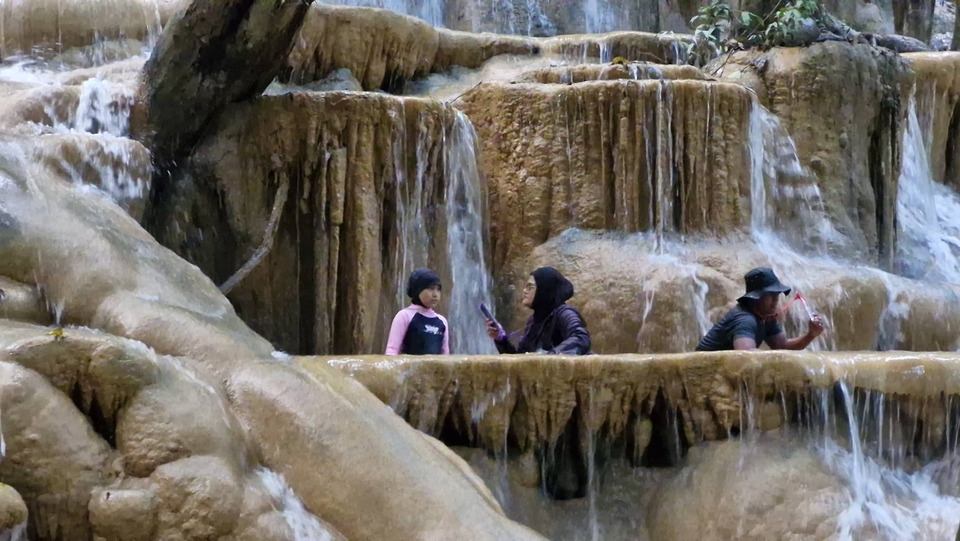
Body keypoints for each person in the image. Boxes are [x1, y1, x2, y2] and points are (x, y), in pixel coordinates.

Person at [696, 267, 825, 351]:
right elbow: (746, 356)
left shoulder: (765, 317)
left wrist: (810, 335)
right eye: (771, 295)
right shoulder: (745, 319)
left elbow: (782, 346)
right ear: (756, 297)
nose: (776, 300)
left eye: (777, 295)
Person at [486, 267, 591, 355]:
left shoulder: (564, 313)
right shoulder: (533, 322)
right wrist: (501, 338)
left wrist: (550, 357)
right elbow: (521, 360)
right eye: (525, 287)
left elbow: (581, 337)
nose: (524, 291)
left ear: (544, 289)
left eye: (530, 287)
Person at [385, 268, 450, 355]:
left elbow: (445, 354)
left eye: (438, 289)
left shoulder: (442, 321)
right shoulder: (404, 316)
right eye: (430, 288)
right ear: (418, 290)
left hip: (435, 365)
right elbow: (392, 349)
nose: (435, 294)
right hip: (409, 364)